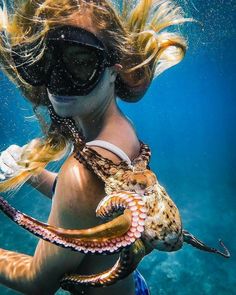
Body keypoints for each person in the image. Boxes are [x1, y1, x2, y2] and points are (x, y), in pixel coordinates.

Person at [0, 0, 190, 294]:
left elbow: (37, 281)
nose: (58, 81)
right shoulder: (120, 132)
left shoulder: (80, 174)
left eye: (80, 62)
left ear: (114, 69)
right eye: (46, 61)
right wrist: (31, 173)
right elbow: (89, 204)